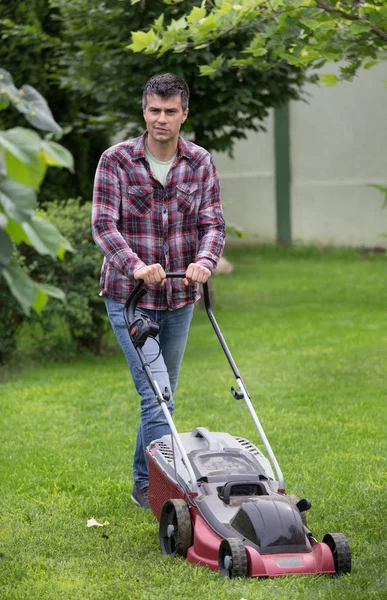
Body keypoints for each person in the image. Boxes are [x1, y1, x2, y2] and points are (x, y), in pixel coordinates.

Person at [92, 73, 225, 509]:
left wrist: (204, 262)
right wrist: (135, 266)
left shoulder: (199, 161)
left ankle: (141, 482)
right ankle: (168, 490)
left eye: (170, 111)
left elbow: (212, 223)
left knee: (163, 394)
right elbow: (103, 225)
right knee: (157, 395)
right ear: (143, 111)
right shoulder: (116, 160)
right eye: (154, 110)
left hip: (179, 298)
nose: (161, 119)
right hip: (129, 299)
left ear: (184, 113)